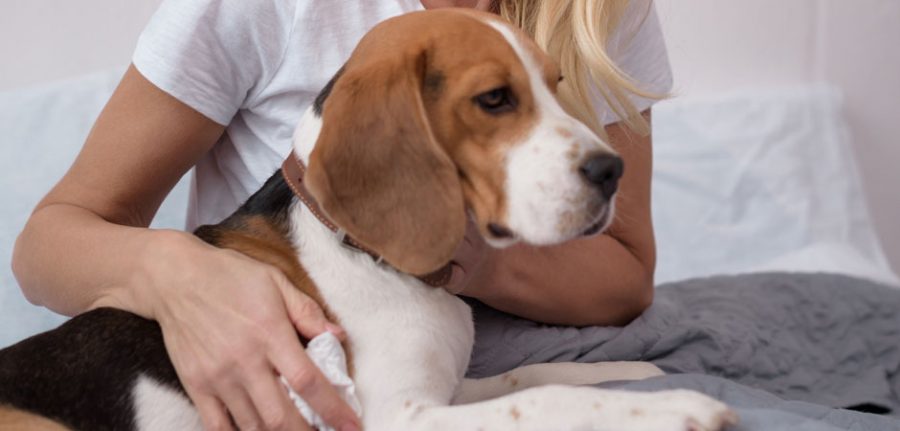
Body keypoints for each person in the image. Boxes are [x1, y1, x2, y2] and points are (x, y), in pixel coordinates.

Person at [11, 0, 672, 429]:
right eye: (498, 98)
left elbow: (625, 270)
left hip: (432, 370)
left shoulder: (601, 11)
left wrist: (445, 251)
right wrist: (179, 273)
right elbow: (47, 241)